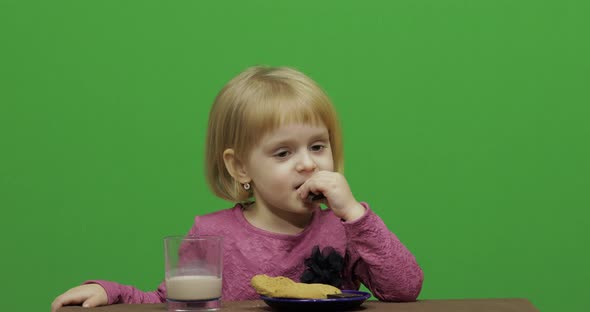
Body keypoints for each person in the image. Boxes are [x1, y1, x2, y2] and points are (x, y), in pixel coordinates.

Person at [51, 66, 424, 311]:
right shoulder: (212, 235)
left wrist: (356, 214)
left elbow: (404, 288)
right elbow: (169, 301)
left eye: (317, 146)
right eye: (283, 152)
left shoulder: (345, 229)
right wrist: (109, 292)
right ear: (240, 166)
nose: (308, 163)